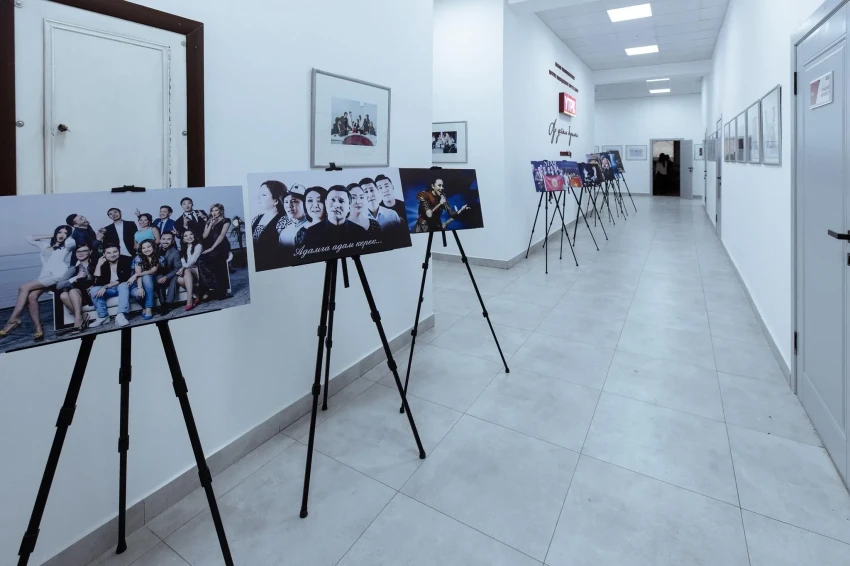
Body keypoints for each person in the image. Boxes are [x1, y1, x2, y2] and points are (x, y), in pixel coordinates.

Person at [0, 226, 77, 341]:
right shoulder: (45, 245)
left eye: (65, 233)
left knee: (23, 287)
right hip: (44, 277)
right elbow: (28, 238)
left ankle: (14, 319)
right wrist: (51, 235)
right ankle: (38, 328)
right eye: (59, 232)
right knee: (31, 297)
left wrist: (67, 236)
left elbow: (71, 242)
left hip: (58, 276)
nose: (62, 235)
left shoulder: (67, 246)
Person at [302, 185, 367, 248]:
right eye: (332, 200)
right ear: (326, 203)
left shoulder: (360, 232)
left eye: (341, 201)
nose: (336, 205)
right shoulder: (311, 233)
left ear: (349, 207)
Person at [89, 243, 132, 328]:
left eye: (115, 252)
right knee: (94, 290)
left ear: (119, 251)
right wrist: (98, 265)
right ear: (104, 254)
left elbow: (125, 278)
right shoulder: (102, 263)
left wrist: (106, 286)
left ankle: (121, 315)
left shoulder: (126, 260)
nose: (112, 255)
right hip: (110, 290)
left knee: (123, 285)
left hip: (123, 289)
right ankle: (103, 317)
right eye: (108, 253)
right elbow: (96, 283)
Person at [56, 244, 97, 332]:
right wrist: (76, 277)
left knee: (72, 291)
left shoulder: (96, 264)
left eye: (84, 251)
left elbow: (104, 278)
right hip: (80, 297)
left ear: (90, 252)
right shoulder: (73, 269)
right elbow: (59, 285)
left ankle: (79, 319)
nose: (81, 253)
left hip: (93, 293)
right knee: (64, 295)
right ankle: (80, 317)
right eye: (78, 251)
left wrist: (95, 285)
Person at [252, 180, 291, 271]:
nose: (258, 198)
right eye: (259, 194)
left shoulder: (285, 221)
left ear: (276, 200)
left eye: (263, 195)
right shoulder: (256, 218)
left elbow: (287, 254)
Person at [199, 203, 231, 300]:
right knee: (201, 259)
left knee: (215, 260)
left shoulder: (226, 220)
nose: (214, 212)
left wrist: (212, 248)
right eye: (212, 210)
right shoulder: (209, 221)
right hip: (210, 246)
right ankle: (211, 288)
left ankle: (221, 291)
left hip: (221, 246)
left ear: (221, 211)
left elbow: (222, 235)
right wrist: (210, 224)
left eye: (216, 210)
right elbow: (204, 236)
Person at [128, 239, 164, 320]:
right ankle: (144, 307)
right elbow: (138, 274)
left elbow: (153, 270)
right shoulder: (138, 258)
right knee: (138, 294)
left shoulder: (159, 257)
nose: (146, 249)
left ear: (153, 247)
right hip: (137, 282)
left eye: (148, 247)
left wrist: (136, 274)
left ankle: (148, 308)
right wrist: (140, 287)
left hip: (151, 283)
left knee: (147, 276)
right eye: (143, 248)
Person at [155, 232, 182, 313]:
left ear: (173, 241)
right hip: (159, 274)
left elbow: (177, 268)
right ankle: (163, 303)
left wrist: (166, 277)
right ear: (160, 240)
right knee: (158, 278)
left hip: (171, 274)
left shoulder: (175, 252)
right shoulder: (155, 250)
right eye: (163, 239)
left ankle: (168, 303)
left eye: (168, 239)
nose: (165, 241)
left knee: (175, 279)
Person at [178, 230, 204, 311]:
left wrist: (183, 268)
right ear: (183, 239)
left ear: (194, 235)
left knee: (186, 270)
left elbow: (193, 260)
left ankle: (189, 299)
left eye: (191, 234)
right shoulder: (182, 250)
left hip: (198, 271)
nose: (189, 237)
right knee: (179, 279)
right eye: (186, 236)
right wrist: (182, 269)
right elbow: (183, 263)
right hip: (188, 272)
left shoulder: (198, 246)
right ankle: (197, 295)